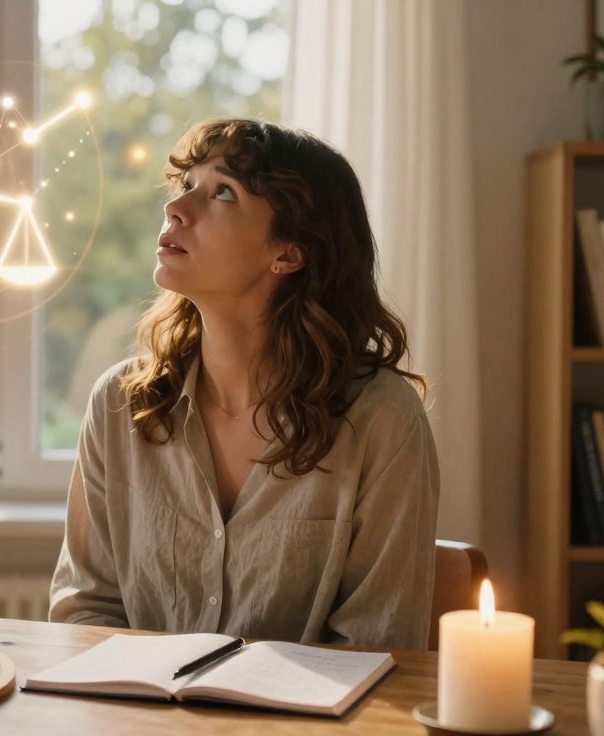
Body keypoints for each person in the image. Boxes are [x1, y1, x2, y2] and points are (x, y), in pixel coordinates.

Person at [48, 118, 440, 650]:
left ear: (288, 253)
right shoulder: (119, 405)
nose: (176, 208)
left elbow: (377, 643)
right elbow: (84, 609)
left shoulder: (381, 420)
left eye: (222, 193)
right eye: (187, 187)